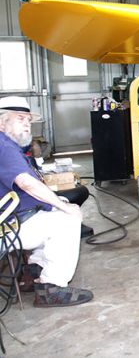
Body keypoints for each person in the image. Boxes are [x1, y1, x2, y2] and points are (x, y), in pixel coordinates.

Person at [0, 96, 93, 307]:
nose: (26, 123)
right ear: (1, 122)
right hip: (9, 226)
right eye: (20, 118)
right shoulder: (3, 146)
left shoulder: (8, 145)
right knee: (67, 220)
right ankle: (51, 289)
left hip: (15, 218)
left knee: (59, 208)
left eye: (28, 120)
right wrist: (65, 207)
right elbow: (26, 183)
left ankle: (35, 272)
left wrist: (56, 203)